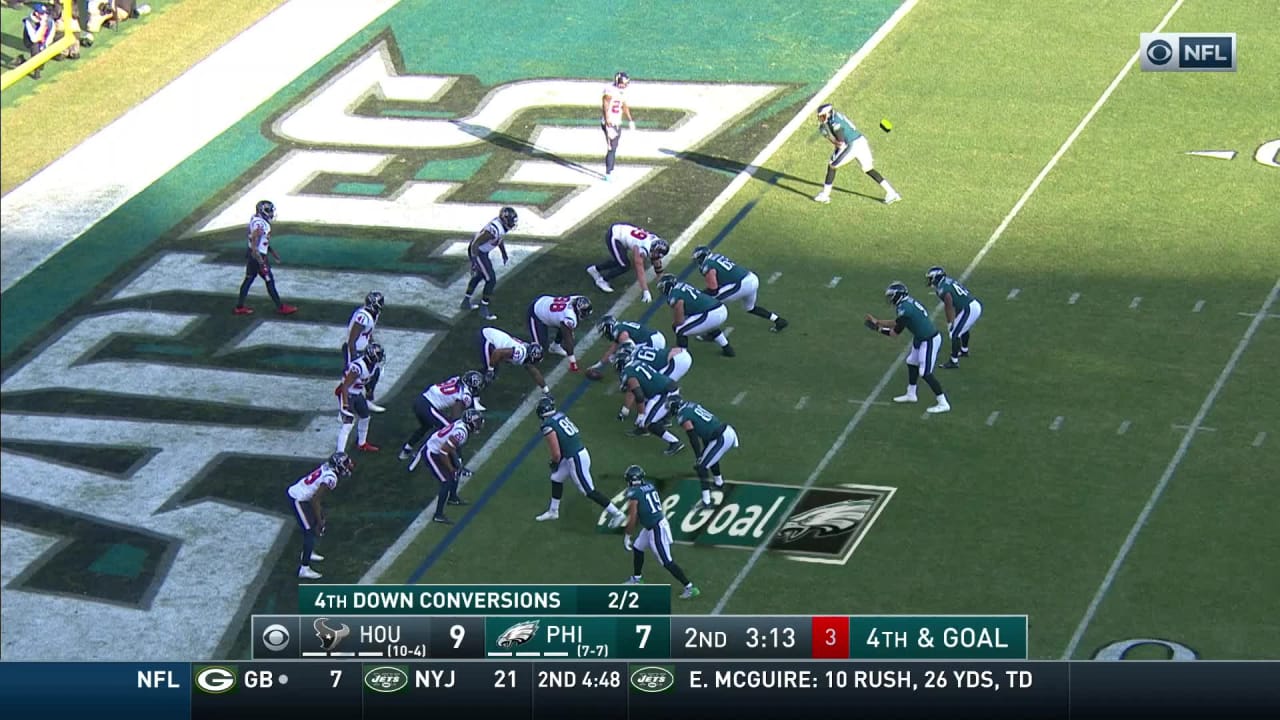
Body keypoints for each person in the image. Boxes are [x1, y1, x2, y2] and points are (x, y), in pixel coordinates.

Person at [534, 396, 627, 527]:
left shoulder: (547, 426)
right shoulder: (560, 415)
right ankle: (553, 511)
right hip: (576, 453)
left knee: (588, 491)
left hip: (575, 458)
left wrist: (554, 463)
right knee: (556, 478)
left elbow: (556, 453)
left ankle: (617, 514)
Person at [865, 282, 950, 414]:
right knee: (911, 362)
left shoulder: (904, 308)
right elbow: (897, 322)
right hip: (920, 337)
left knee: (925, 373)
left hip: (929, 340)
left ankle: (943, 402)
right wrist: (878, 322)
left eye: (891, 296)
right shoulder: (905, 304)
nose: (890, 299)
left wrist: (877, 328)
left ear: (898, 295)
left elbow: (894, 333)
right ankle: (911, 394)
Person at [621, 464, 700, 599]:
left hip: (656, 528)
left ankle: (690, 587)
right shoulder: (650, 485)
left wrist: (627, 535)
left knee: (666, 561)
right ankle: (637, 579)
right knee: (638, 547)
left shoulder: (634, 493)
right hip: (652, 524)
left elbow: (633, 516)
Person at [813, 104, 900, 205]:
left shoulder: (835, 123)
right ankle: (892, 192)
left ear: (829, 113)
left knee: (832, 165)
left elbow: (840, 143)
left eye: (823, 116)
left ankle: (825, 195)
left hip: (852, 145)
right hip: (861, 140)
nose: (821, 118)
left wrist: (827, 136)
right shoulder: (836, 116)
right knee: (868, 169)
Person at [287, 452, 354, 580]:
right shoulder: (331, 478)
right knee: (310, 531)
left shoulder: (327, 468)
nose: (349, 465)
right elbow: (315, 500)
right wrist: (319, 520)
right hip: (297, 498)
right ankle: (304, 568)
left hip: (305, 496)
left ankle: (308, 551)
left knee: (315, 525)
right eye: (345, 463)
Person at [411, 409, 485, 524]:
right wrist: (451, 468)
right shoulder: (461, 432)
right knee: (446, 481)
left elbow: (451, 447)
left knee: (456, 470)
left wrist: (457, 465)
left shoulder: (461, 426)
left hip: (441, 449)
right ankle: (438, 515)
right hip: (432, 452)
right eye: (478, 422)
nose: (480, 424)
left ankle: (453, 498)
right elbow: (444, 452)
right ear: (470, 422)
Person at [692, 246, 787, 332]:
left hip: (741, 284)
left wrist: (699, 295)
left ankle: (714, 335)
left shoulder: (707, 266)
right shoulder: (716, 257)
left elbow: (713, 289)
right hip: (751, 278)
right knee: (750, 308)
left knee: (710, 304)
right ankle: (779, 320)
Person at [398, 371, 486, 461]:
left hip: (421, 399)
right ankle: (421, 454)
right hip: (428, 406)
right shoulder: (465, 395)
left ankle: (406, 450)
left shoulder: (456, 379)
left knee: (426, 426)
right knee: (450, 428)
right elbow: (456, 414)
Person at [670, 397, 739, 511]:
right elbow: (704, 430)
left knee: (701, 467)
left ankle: (706, 502)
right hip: (725, 431)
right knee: (709, 458)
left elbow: (693, 437)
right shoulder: (690, 405)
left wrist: (698, 456)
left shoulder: (683, 416)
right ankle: (719, 483)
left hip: (721, 438)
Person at [616, 346, 685, 455]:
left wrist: (641, 414)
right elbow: (632, 390)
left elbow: (639, 395)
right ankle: (644, 428)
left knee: (649, 423)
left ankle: (675, 442)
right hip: (664, 388)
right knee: (646, 419)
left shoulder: (628, 373)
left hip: (665, 393)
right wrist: (625, 409)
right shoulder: (636, 363)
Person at [234, 200, 298, 316]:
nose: (271, 213)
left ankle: (239, 307)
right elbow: (255, 243)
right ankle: (280, 307)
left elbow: (260, 242)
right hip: (257, 257)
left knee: (249, 279)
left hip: (254, 255)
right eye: (269, 211)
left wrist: (271, 251)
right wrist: (261, 262)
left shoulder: (256, 219)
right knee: (269, 280)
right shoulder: (261, 225)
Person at [657, 274, 734, 357]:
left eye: (662, 287)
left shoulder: (674, 296)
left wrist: (674, 324)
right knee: (709, 326)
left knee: (680, 330)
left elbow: (680, 320)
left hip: (710, 313)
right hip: (720, 308)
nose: (661, 290)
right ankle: (727, 349)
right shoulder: (682, 285)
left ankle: (682, 357)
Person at [461, 207, 517, 321]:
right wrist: (474, 262)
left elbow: (499, 239)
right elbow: (475, 244)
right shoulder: (493, 230)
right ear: (504, 220)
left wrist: (503, 253)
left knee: (480, 275)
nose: (512, 224)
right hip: (477, 251)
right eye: (511, 221)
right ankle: (483, 307)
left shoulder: (499, 228)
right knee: (491, 279)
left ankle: (466, 302)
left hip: (482, 251)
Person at [586, 222, 668, 297]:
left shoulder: (655, 242)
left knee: (620, 260)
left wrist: (662, 280)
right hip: (615, 236)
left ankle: (594, 269)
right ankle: (602, 281)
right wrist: (645, 291)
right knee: (624, 265)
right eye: (656, 254)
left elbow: (657, 262)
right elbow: (639, 269)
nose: (656, 257)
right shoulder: (643, 249)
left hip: (622, 230)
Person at [925, 266, 983, 368]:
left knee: (954, 334)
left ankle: (954, 361)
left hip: (969, 309)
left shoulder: (942, 289)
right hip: (971, 305)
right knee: (962, 328)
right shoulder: (947, 281)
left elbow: (949, 306)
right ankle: (964, 350)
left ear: (936, 277)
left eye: (931, 278)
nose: (929, 280)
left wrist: (950, 322)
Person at [336, 343, 385, 452]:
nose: (380, 357)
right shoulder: (358, 367)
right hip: (347, 393)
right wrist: (345, 404)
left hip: (356, 393)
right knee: (348, 423)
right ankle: (340, 453)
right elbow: (345, 386)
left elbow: (367, 381)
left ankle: (362, 444)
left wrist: (369, 391)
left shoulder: (373, 366)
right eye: (378, 355)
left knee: (365, 416)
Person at [527, 295, 593, 372]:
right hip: (536, 312)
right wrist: (572, 361)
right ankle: (520, 351)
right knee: (538, 349)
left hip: (547, 303)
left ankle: (555, 347)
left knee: (565, 326)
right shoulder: (569, 316)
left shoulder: (577, 299)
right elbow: (567, 339)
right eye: (584, 312)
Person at [344, 292, 385, 412]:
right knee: (351, 380)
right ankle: (344, 408)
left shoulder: (373, 314)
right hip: (355, 350)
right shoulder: (363, 316)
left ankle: (368, 401)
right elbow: (352, 339)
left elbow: (368, 333)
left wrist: (372, 344)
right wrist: (353, 357)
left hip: (365, 349)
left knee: (374, 373)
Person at [478, 326, 548, 394]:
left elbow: (534, 372)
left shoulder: (526, 352)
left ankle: (477, 385)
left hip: (491, 335)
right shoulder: (520, 354)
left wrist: (545, 390)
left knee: (493, 369)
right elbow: (497, 352)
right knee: (489, 371)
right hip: (487, 338)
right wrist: (490, 370)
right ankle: (472, 390)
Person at [600, 72, 636, 181]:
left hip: (617, 122)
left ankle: (611, 169)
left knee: (614, 146)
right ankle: (608, 173)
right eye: (623, 83)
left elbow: (624, 106)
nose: (625, 85)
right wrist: (607, 121)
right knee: (611, 147)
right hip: (610, 123)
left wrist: (630, 120)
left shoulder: (622, 92)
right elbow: (605, 105)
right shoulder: (610, 90)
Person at [21, 4, 55, 79]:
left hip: (44, 39)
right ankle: (36, 72)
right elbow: (34, 39)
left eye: (45, 13)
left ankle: (22, 61)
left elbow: (51, 33)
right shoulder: (29, 21)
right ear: (36, 13)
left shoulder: (49, 20)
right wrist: (42, 26)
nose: (45, 15)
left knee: (42, 64)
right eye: (42, 14)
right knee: (35, 47)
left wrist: (45, 45)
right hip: (30, 41)